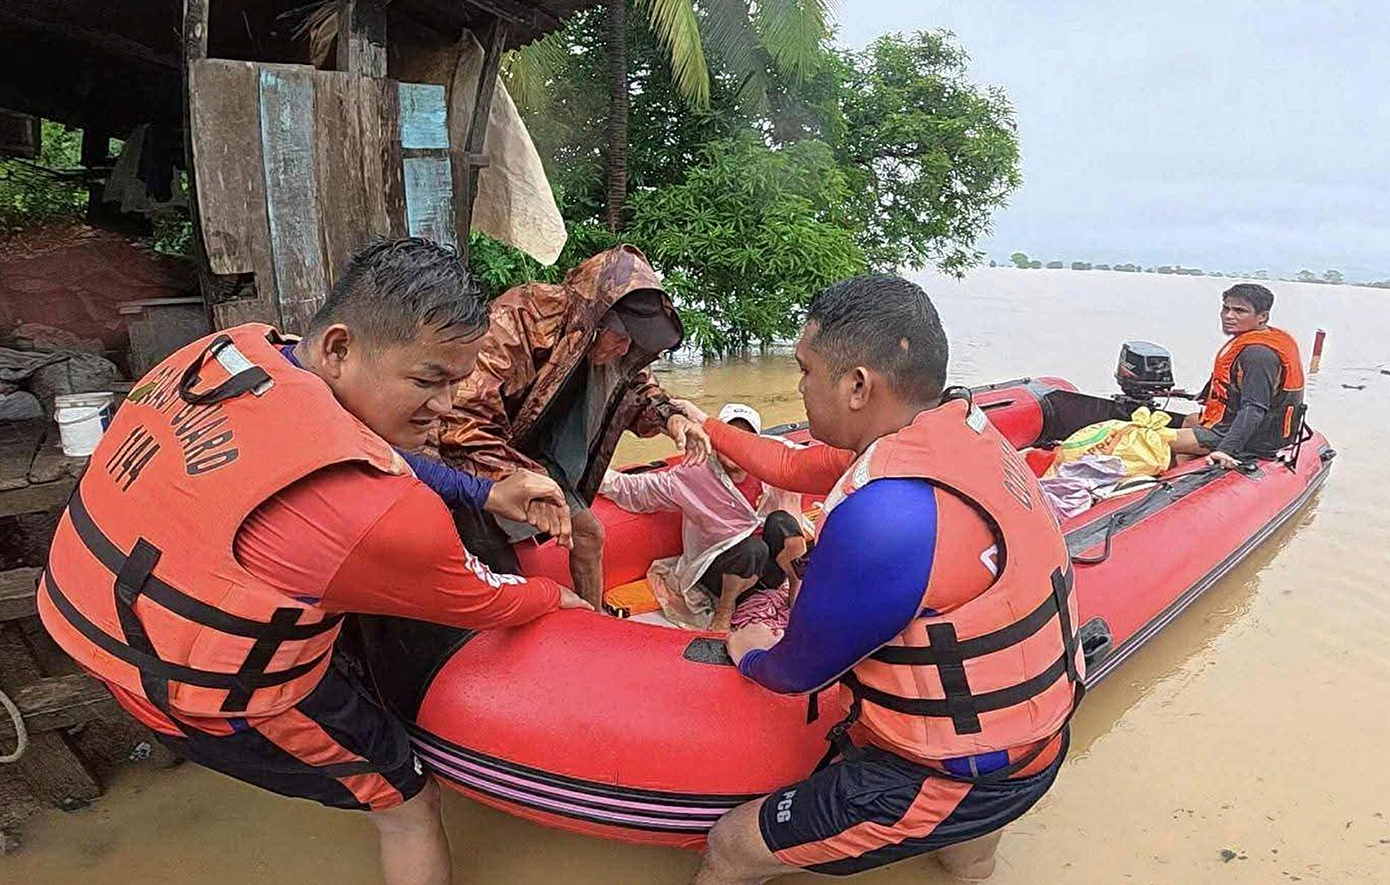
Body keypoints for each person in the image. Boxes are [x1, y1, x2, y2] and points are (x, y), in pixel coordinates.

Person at [37, 238, 591, 885]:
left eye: (455, 383)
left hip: (93, 617)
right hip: (197, 692)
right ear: (338, 347)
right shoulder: (382, 517)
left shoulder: (230, 357)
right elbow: (484, 598)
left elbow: (344, 441)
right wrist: (557, 599)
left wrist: (485, 489)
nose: (445, 408)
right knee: (408, 799)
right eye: (428, 380)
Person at [686, 275, 1084, 884]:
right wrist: (706, 425)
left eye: (804, 370)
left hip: (946, 773)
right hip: (1038, 741)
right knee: (967, 858)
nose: (799, 387)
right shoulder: (959, 434)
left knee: (732, 846)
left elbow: (798, 672)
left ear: (856, 385)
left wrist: (749, 652)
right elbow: (789, 462)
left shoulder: (887, 519)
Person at [434, 244, 710, 609]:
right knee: (497, 572)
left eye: (634, 344)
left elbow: (637, 388)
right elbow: (458, 419)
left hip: (536, 455)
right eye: (621, 337)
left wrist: (670, 417)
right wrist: (519, 481)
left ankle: (594, 620)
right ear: (597, 318)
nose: (625, 349)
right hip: (473, 459)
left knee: (590, 533)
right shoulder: (522, 317)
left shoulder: (612, 350)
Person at [599, 403, 810, 631]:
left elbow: (802, 459)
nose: (734, 448)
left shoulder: (768, 469)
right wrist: (588, 473)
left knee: (783, 522)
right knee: (752, 549)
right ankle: (725, 611)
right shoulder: (693, 473)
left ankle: (797, 591)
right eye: (729, 438)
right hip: (719, 571)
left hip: (767, 571)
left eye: (743, 439)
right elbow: (634, 489)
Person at [1170, 283, 1305, 468]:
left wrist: (1225, 449)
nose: (1228, 316)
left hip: (1255, 437)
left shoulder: (1258, 355)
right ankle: (1182, 471)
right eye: (1226, 308)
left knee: (1149, 440)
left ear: (1262, 316)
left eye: (1239, 311)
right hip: (1245, 424)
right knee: (1190, 420)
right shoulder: (1256, 339)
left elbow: (1254, 409)